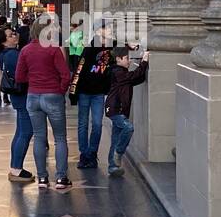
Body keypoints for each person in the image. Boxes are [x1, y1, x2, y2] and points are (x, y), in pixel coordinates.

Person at [15, 14, 72, 190]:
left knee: (39, 137)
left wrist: (33, 81)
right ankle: (61, 178)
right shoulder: (53, 49)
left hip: (33, 96)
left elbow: (19, 77)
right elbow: (65, 75)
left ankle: (42, 179)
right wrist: (60, 91)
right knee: (60, 138)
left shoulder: (25, 50)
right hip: (53, 95)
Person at [70, 24, 114, 169]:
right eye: (106, 28)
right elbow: (79, 70)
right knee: (83, 123)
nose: (110, 30)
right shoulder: (89, 49)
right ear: (97, 31)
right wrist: (73, 92)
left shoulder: (110, 47)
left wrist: (131, 45)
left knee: (97, 124)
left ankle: (92, 152)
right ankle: (84, 154)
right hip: (84, 92)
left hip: (98, 93)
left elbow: (122, 45)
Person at [104, 47, 150, 176]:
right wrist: (144, 61)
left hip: (119, 110)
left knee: (115, 137)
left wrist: (143, 66)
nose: (129, 61)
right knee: (128, 128)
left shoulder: (122, 73)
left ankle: (113, 166)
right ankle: (118, 153)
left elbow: (137, 78)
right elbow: (134, 76)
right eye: (127, 58)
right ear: (118, 59)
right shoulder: (117, 72)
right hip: (115, 109)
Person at [0, 28, 34, 182]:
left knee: (21, 131)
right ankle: (16, 168)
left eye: (14, 33)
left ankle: (15, 167)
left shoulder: (4, 55)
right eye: (10, 35)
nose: (15, 35)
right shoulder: (13, 55)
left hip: (17, 95)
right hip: (23, 95)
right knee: (25, 131)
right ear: (3, 41)